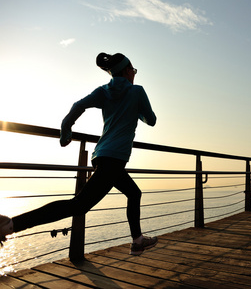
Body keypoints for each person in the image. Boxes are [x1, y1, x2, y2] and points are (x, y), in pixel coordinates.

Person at [0, 52, 157, 256]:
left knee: (134, 193)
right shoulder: (137, 92)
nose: (134, 74)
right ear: (128, 70)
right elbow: (151, 120)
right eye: (133, 70)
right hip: (113, 160)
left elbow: (78, 105)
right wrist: (137, 110)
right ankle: (9, 225)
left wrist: (66, 129)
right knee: (79, 205)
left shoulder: (104, 91)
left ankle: (137, 242)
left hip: (101, 155)